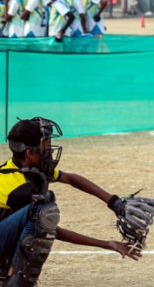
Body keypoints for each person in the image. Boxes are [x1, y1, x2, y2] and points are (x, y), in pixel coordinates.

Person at [0, 118, 144, 286]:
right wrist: (107, 244)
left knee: (41, 210)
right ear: (29, 154)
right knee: (44, 210)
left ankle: (6, 271)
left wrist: (114, 202)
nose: (49, 150)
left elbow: (71, 178)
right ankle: (11, 278)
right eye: (45, 144)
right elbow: (50, 228)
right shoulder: (14, 187)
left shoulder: (30, 170)